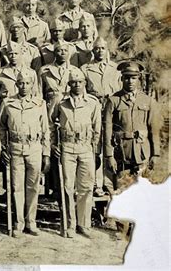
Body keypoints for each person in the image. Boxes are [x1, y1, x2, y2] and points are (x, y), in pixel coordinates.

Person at [50, 69, 101, 239]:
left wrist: (94, 148)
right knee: (67, 187)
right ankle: (68, 224)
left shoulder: (93, 103)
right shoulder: (61, 102)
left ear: (85, 83)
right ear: (69, 84)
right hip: (67, 147)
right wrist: (52, 144)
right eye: (73, 82)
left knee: (86, 187)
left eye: (80, 82)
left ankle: (83, 224)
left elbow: (97, 129)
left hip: (86, 148)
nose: (77, 85)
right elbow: (50, 123)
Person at [0, 69, 50, 237]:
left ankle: (31, 221)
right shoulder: (7, 103)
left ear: (32, 85)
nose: (24, 86)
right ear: (16, 84)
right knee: (17, 187)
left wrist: (46, 153)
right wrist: (3, 147)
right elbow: (1, 127)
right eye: (20, 83)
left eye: (27, 83)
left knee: (33, 187)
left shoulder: (40, 104)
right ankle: (18, 222)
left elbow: (45, 131)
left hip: (34, 147)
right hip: (15, 147)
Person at [103, 61, 161, 188]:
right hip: (122, 153)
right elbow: (107, 130)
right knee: (123, 190)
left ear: (138, 79)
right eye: (127, 78)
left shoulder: (148, 101)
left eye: (133, 78)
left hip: (142, 152)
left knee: (143, 191)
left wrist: (155, 154)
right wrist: (109, 156)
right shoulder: (113, 101)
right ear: (122, 78)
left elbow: (154, 130)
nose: (130, 81)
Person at [81, 36, 121, 196]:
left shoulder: (115, 68)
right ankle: (96, 184)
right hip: (94, 107)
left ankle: (109, 184)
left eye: (102, 48)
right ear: (92, 50)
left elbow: (118, 90)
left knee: (110, 145)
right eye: (96, 48)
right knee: (95, 145)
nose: (99, 51)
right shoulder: (85, 68)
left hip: (110, 108)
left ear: (107, 50)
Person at [39, 40, 83, 110]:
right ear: (54, 53)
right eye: (59, 50)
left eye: (65, 50)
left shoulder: (76, 71)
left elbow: (81, 93)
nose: (63, 53)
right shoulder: (44, 70)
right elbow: (39, 93)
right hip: (51, 106)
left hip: (69, 107)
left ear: (69, 53)